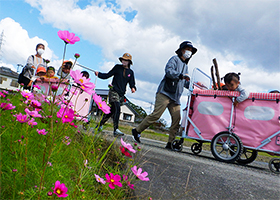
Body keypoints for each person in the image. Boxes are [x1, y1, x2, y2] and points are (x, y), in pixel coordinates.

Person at [131, 41, 197, 150]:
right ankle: (137, 130)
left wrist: (193, 85)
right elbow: (169, 71)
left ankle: (170, 143)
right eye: (187, 49)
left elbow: (184, 81)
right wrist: (180, 75)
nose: (188, 52)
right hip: (165, 93)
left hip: (176, 98)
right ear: (181, 50)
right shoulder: (174, 59)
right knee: (156, 115)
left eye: (190, 51)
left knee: (177, 119)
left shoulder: (185, 66)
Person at [94, 53, 136, 137]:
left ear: (129, 62)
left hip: (121, 94)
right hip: (114, 91)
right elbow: (107, 75)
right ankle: (116, 129)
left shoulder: (130, 72)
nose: (124, 61)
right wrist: (99, 74)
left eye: (126, 60)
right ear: (121, 60)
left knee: (111, 111)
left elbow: (132, 82)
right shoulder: (117, 67)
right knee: (117, 108)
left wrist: (133, 87)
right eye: (123, 60)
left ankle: (99, 125)